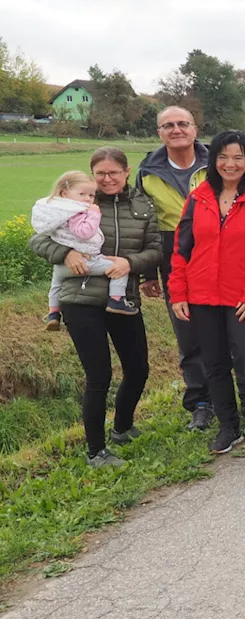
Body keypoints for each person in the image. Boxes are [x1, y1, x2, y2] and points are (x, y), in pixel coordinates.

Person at [28, 147, 162, 466]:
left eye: (114, 172)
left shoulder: (142, 204)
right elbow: (37, 239)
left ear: (126, 172)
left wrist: (129, 262)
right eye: (100, 173)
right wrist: (66, 254)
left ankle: (122, 427)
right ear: (92, 175)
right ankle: (95, 451)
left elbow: (155, 249)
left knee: (138, 368)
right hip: (80, 298)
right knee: (99, 375)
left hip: (122, 296)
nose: (107, 179)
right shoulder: (79, 199)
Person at [168, 130, 245, 456]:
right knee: (215, 364)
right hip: (202, 296)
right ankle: (229, 429)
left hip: (241, 299)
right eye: (223, 156)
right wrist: (177, 292)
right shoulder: (198, 198)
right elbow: (181, 249)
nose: (230, 163)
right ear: (214, 160)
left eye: (238, 157)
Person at [136, 106, 245, 429]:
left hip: (223, 247)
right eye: (168, 125)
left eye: (182, 123)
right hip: (175, 252)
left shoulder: (216, 160)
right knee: (189, 335)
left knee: (235, 328)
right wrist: (148, 273)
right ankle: (202, 401)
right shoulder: (147, 171)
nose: (176, 130)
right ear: (159, 132)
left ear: (195, 128)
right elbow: (146, 225)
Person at [33, 171, 139, 322]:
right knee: (119, 268)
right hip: (86, 261)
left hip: (61, 265)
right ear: (64, 193)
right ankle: (116, 300)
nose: (88, 199)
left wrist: (64, 253)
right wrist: (94, 215)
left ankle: (53, 313)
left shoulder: (55, 212)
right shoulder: (77, 212)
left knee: (55, 284)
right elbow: (84, 233)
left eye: (91, 195)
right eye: (82, 194)